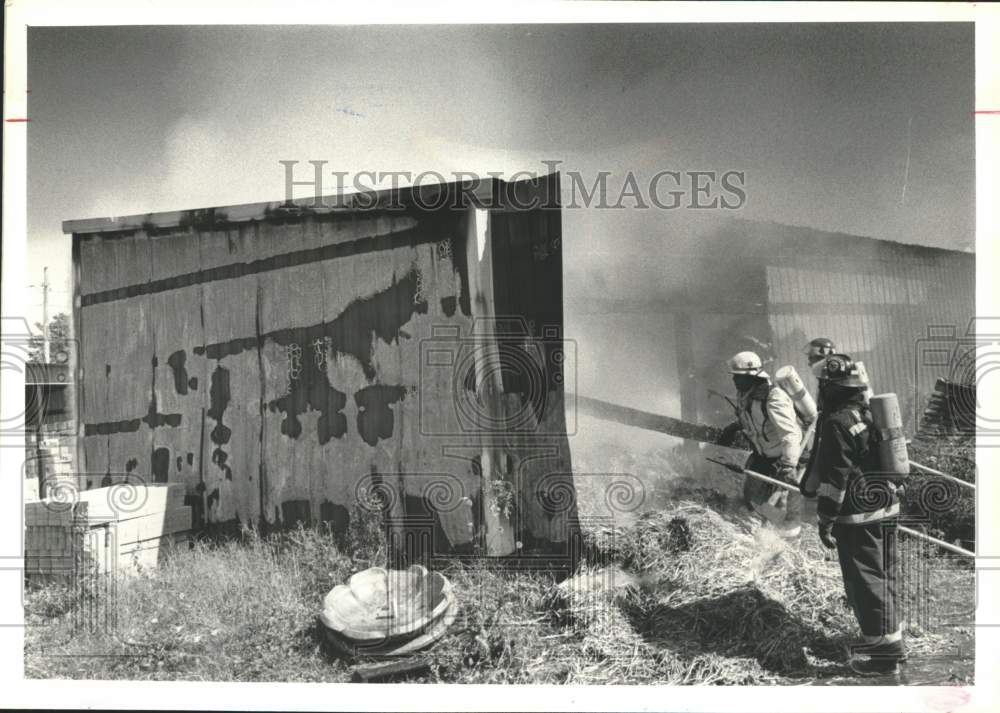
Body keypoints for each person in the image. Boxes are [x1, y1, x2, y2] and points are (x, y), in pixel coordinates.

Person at [814, 354, 906, 676]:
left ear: (831, 387)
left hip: (858, 515)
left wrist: (825, 519)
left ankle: (885, 656)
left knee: (866, 581)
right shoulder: (870, 413)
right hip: (888, 505)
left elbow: (835, 478)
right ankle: (894, 639)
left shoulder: (836, 422)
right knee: (886, 574)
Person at [724, 351, 804, 538]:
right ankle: (768, 524)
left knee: (785, 506)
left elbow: (790, 434)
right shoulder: (745, 394)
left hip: (782, 457)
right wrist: (734, 426)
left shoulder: (773, 397)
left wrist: (789, 465)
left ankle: (788, 535)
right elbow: (753, 420)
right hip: (763, 456)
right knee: (752, 498)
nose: (734, 379)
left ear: (751, 376)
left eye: (738, 376)